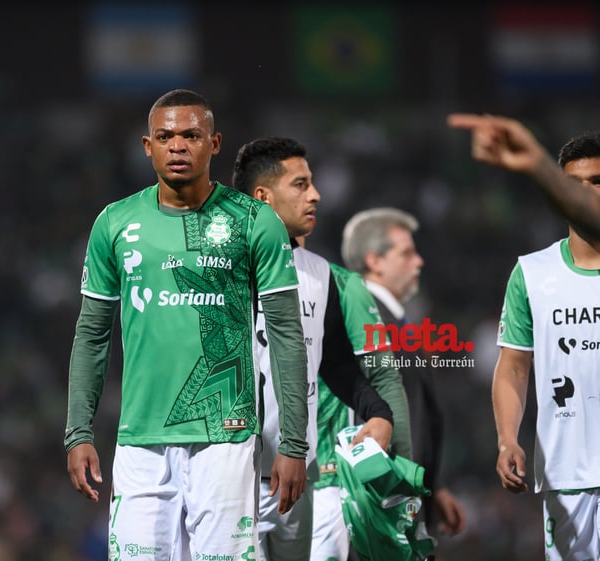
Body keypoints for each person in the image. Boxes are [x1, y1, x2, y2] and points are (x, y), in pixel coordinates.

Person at [64, 89, 311, 561]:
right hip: (140, 439)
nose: (178, 145)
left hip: (227, 435)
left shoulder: (255, 221)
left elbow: (285, 335)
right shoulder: (115, 223)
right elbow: (91, 334)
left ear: (214, 143)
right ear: (147, 145)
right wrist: (79, 431)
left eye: (191, 135)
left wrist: (293, 443)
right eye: (166, 136)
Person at [233, 136, 411, 561]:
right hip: (231, 479)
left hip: (299, 475)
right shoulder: (223, 269)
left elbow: (333, 363)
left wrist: (379, 413)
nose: (315, 194)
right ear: (263, 197)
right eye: (300, 184)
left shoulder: (319, 274)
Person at [486, 131, 600, 560]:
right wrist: (506, 440)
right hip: (566, 472)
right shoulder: (532, 273)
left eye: (598, 181)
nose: (586, 193)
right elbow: (513, 366)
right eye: (574, 184)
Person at [341, 207, 467, 545]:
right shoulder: (364, 320)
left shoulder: (394, 322)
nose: (419, 262)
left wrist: (433, 486)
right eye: (407, 253)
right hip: (380, 505)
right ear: (375, 261)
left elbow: (415, 411)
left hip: (400, 498)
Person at [448, 113, 600, 240]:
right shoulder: (530, 269)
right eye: (574, 181)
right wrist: (537, 163)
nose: (586, 188)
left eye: (597, 181)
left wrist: (538, 164)